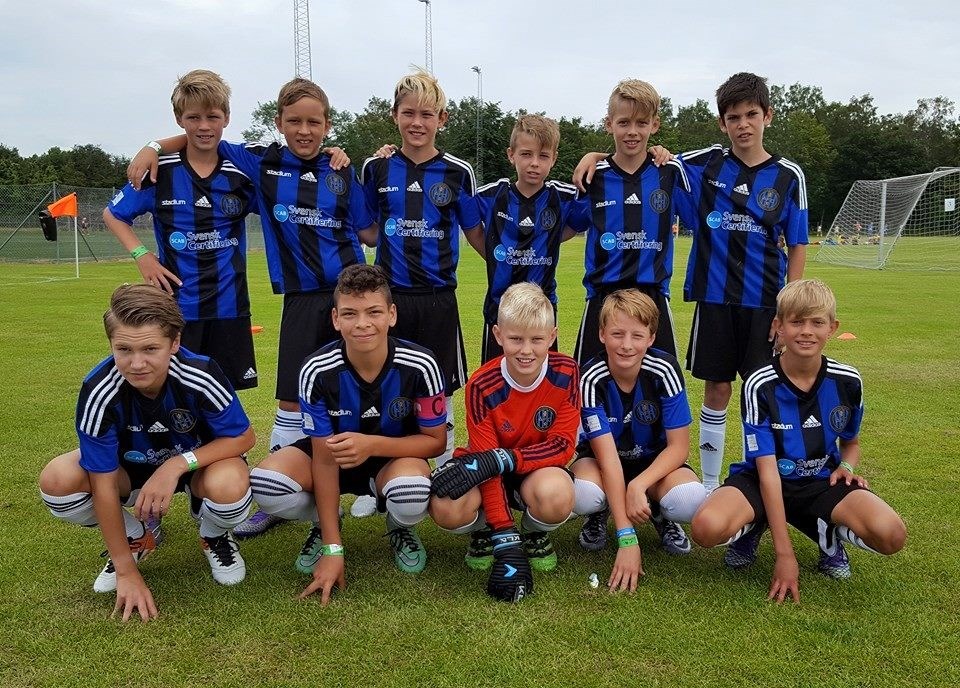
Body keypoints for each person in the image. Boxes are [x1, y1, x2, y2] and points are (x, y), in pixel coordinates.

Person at [127, 76, 378, 534]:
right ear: (278, 122)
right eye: (295, 121)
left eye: (314, 122)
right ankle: (280, 491)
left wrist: (379, 161)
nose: (304, 130)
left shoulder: (341, 170)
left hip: (351, 298)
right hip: (302, 299)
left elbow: (370, 233)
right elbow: (204, 135)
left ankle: (370, 485)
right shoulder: (261, 163)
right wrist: (152, 145)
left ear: (327, 125)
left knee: (362, 387)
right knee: (292, 395)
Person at [574, 73, 809, 494]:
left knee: (755, 393)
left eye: (751, 114)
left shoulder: (783, 175)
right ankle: (599, 483)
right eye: (733, 117)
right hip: (656, 298)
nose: (743, 124)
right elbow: (638, 161)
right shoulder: (699, 164)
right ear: (722, 123)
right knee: (593, 386)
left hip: (737, 301)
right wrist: (594, 154)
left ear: (768, 116)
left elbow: (797, 243)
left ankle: (736, 485)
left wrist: (789, 310)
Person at [39, 284, 255, 621]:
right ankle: (135, 538)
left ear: (174, 343)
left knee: (230, 486)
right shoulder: (98, 390)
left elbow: (243, 437)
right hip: (130, 473)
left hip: (199, 466)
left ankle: (213, 535)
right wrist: (126, 571)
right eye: (124, 349)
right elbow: (103, 483)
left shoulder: (200, 374)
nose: (136, 363)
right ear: (111, 344)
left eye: (151, 349)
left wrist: (176, 465)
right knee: (57, 479)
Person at [691, 279, 906, 602]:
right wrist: (784, 554)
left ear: (832, 328)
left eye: (817, 322)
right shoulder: (759, 384)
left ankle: (827, 534)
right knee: (706, 528)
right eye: (796, 322)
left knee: (891, 535)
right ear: (778, 326)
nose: (806, 331)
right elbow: (767, 472)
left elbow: (851, 442)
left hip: (820, 483)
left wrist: (847, 466)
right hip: (762, 480)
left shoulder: (848, 381)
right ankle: (756, 523)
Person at [249, 264, 446, 604]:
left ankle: (399, 526)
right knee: (267, 483)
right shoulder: (316, 369)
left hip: (392, 459)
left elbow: (435, 442)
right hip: (333, 457)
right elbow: (324, 460)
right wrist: (333, 548)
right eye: (350, 314)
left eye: (374, 312)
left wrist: (370, 445)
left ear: (392, 315)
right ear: (336, 319)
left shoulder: (421, 364)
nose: (362, 323)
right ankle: (324, 525)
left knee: (413, 491)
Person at [104, 69, 258, 393]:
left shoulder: (241, 171)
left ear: (226, 118)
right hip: (177, 308)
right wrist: (142, 255)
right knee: (177, 392)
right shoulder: (160, 171)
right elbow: (113, 214)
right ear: (179, 119)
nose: (204, 126)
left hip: (230, 305)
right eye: (193, 117)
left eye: (212, 116)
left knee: (225, 392)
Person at [360, 69, 482, 465]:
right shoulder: (376, 168)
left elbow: (477, 235)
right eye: (409, 113)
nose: (417, 122)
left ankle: (445, 469)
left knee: (440, 387)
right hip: (390, 299)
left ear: (442, 119)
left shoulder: (458, 172)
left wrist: (516, 266)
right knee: (387, 383)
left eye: (427, 114)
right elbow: (368, 233)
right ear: (394, 115)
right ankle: (380, 475)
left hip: (437, 299)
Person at [430, 282, 580, 603]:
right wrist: (504, 535)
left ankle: (534, 532)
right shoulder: (481, 384)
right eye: (515, 339)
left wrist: (506, 458)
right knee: (446, 506)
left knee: (558, 494)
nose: (526, 350)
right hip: (488, 471)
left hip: (537, 471)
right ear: (498, 335)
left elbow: (562, 446)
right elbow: (486, 459)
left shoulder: (567, 371)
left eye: (537, 339)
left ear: (552, 336)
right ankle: (485, 530)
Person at [572, 289, 707, 592]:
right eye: (617, 334)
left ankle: (657, 510)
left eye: (637, 335)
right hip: (602, 463)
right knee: (582, 494)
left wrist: (638, 485)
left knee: (690, 499)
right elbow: (608, 460)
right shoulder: (590, 377)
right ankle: (600, 511)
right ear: (602, 334)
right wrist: (626, 537)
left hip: (652, 464)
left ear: (651, 338)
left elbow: (679, 447)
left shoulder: (664, 369)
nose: (627, 345)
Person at [569, 79, 691, 367]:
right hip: (602, 297)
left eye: (642, 123)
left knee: (663, 383)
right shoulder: (593, 176)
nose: (632, 131)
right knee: (587, 383)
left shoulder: (669, 172)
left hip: (653, 298)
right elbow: (571, 224)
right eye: (624, 122)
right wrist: (593, 156)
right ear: (609, 124)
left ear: (655, 124)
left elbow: (695, 217)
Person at [474, 114, 589, 362]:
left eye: (543, 156)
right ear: (511, 155)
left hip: (543, 312)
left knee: (543, 381)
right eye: (526, 154)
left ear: (554, 158)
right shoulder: (489, 195)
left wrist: (594, 156)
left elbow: (574, 225)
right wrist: (494, 254)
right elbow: (469, 224)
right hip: (499, 310)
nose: (534, 163)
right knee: (494, 380)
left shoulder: (564, 197)